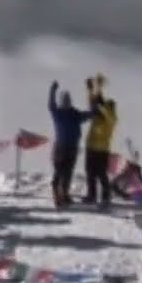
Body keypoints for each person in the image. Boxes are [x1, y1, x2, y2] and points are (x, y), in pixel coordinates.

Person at [48, 80, 96, 208]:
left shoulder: (73, 114)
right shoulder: (60, 113)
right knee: (60, 171)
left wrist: (90, 91)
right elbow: (51, 105)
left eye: (67, 100)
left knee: (67, 172)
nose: (66, 102)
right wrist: (52, 90)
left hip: (70, 147)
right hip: (62, 147)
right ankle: (58, 195)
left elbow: (92, 113)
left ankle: (64, 194)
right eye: (65, 100)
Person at [83, 75, 119, 208]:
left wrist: (101, 107)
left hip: (102, 149)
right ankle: (91, 195)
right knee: (90, 173)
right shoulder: (98, 116)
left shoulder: (112, 119)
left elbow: (101, 107)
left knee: (101, 173)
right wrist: (91, 89)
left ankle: (105, 196)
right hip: (91, 147)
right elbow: (93, 102)